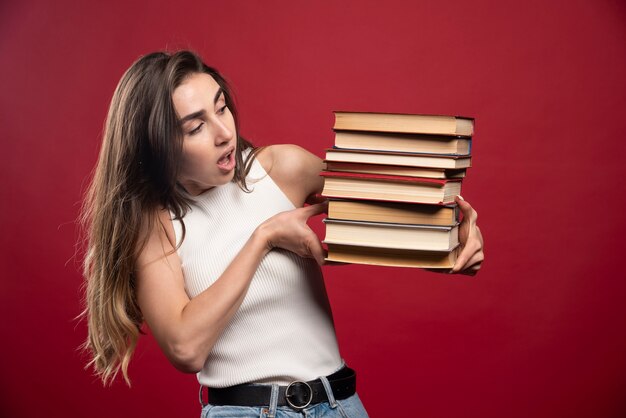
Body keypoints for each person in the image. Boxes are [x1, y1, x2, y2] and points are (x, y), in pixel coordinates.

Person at [80, 50, 484, 418]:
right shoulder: (156, 226)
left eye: (222, 108)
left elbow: (390, 221)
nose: (224, 132)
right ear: (157, 145)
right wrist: (264, 237)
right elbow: (186, 348)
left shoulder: (279, 169)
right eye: (195, 127)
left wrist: (453, 247)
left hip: (340, 405)